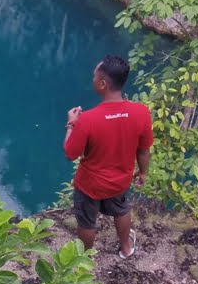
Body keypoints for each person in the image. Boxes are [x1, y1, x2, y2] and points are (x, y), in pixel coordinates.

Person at [63, 55, 153, 258]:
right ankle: (126, 249)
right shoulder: (141, 113)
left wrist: (71, 124)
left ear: (103, 83)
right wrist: (144, 173)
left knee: (87, 221)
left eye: (94, 77)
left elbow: (70, 152)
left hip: (90, 184)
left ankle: (83, 260)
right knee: (121, 209)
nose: (92, 79)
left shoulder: (87, 120)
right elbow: (144, 149)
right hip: (119, 181)